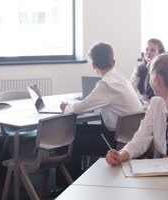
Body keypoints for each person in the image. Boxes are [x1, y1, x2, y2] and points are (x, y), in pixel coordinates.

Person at [60, 42, 143, 178]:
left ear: (93, 65)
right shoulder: (120, 78)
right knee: (78, 130)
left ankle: (68, 184)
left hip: (115, 141)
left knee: (70, 137)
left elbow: (79, 108)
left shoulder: (105, 84)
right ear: (114, 62)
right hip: (131, 137)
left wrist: (66, 107)